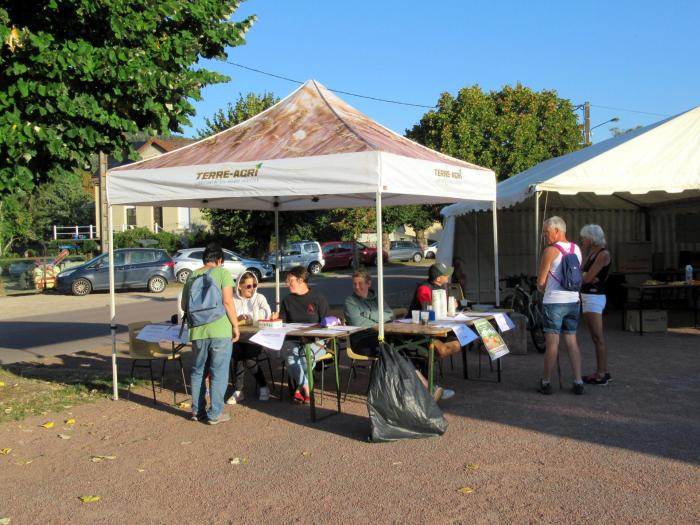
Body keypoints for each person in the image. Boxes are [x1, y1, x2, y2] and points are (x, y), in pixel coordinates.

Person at [344, 270, 446, 400]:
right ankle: (424, 388)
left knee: (399, 347)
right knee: (394, 349)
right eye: (354, 284)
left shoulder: (377, 298)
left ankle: (421, 389)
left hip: (382, 336)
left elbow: (390, 315)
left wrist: (367, 314)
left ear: (368, 283)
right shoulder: (350, 301)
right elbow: (358, 322)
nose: (356, 287)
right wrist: (377, 316)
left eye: (360, 283)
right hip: (361, 340)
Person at [181, 243, 240, 424]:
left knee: (199, 371)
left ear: (204, 259)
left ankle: (197, 411)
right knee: (219, 372)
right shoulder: (223, 273)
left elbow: (185, 306)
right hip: (220, 329)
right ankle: (215, 414)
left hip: (198, 331)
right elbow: (228, 302)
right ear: (220, 260)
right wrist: (235, 326)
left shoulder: (192, 276)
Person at [537, 216, 584, 395]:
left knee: (553, 344)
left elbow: (541, 281)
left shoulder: (550, 250)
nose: (544, 236)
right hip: (573, 300)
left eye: (546, 232)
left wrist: (541, 288)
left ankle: (546, 381)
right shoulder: (576, 249)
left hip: (554, 302)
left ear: (557, 231)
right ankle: (578, 381)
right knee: (572, 341)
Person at [273, 266, 329, 404]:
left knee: (305, 359)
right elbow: (283, 323)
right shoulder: (287, 300)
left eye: (290, 280)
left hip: (315, 341)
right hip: (293, 340)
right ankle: (306, 386)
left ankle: (300, 387)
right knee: (290, 355)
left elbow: (327, 323)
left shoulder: (318, 298)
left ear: (301, 280)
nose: (287, 284)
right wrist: (276, 319)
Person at [227, 270, 272, 405]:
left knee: (246, 358)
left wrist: (253, 316)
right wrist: (237, 318)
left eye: (253, 285)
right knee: (237, 354)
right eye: (248, 286)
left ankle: (262, 386)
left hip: (257, 338)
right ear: (239, 286)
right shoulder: (233, 299)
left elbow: (267, 312)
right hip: (238, 337)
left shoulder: (259, 298)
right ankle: (239, 390)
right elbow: (228, 315)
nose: (252, 289)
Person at [579, 224, 612, 385]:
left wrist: (585, 275)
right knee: (595, 337)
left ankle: (601, 373)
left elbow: (586, 277)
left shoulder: (603, 254)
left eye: (584, 237)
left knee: (598, 337)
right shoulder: (591, 253)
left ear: (592, 238)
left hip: (594, 297)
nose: (582, 240)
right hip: (587, 296)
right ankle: (602, 371)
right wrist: (585, 275)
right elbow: (581, 272)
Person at [408, 262, 462, 359]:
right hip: (420, 329)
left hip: (436, 327)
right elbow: (427, 311)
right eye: (445, 275)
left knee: (459, 343)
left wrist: (452, 305)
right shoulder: (424, 289)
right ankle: (424, 364)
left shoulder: (443, 286)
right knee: (444, 349)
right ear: (438, 279)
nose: (448, 276)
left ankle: (428, 362)